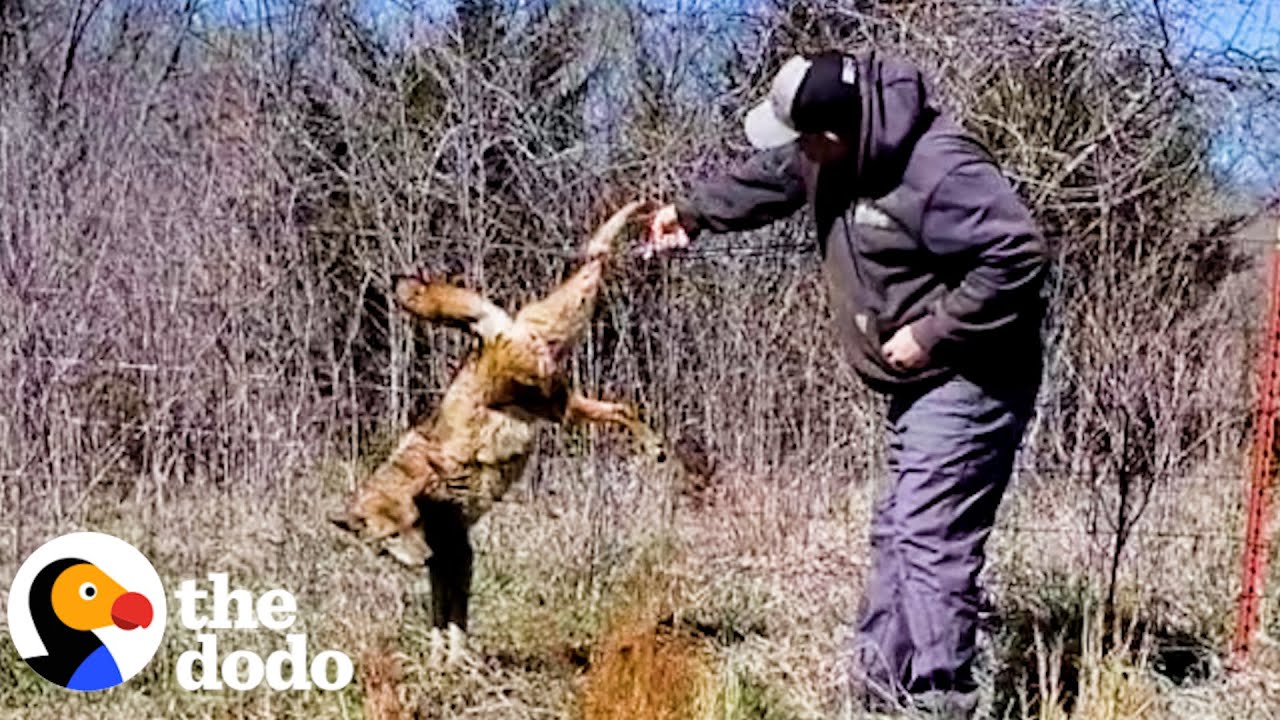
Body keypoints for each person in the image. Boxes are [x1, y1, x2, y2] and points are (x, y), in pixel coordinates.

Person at [642, 50, 1047, 718]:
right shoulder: (828, 150)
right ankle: (878, 695)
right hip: (921, 383)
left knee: (928, 533)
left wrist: (932, 332)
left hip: (974, 373)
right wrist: (693, 215)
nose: (796, 152)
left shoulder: (940, 169)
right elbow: (771, 178)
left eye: (802, 139)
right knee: (899, 534)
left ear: (833, 136)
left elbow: (1018, 255)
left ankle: (938, 699)